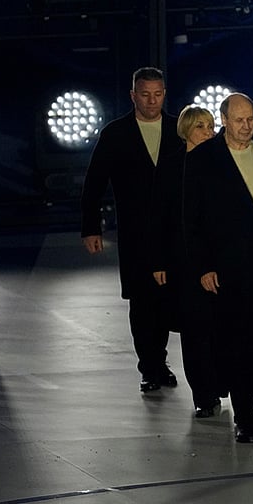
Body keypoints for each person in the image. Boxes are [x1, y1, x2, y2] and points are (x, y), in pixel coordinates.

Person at [182, 93, 253, 443]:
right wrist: (203, 265)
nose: (246, 126)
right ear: (225, 120)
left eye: (251, 119)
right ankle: (244, 411)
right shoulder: (203, 158)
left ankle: (248, 406)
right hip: (225, 267)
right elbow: (192, 218)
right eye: (239, 120)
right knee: (233, 341)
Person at [80, 66, 182, 394]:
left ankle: (159, 361)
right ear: (133, 95)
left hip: (172, 232)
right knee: (141, 301)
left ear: (164, 93)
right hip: (135, 233)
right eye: (145, 94)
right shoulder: (116, 133)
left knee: (166, 300)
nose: (152, 100)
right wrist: (90, 228)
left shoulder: (178, 129)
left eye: (158, 93)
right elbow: (94, 182)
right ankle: (149, 367)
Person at [149, 105, 219, 418]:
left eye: (211, 125)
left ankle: (219, 387)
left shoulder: (222, 162)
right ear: (187, 130)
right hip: (183, 261)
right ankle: (203, 395)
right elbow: (159, 217)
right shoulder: (171, 167)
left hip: (219, 258)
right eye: (202, 126)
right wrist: (159, 260)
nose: (209, 132)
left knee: (219, 329)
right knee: (194, 331)